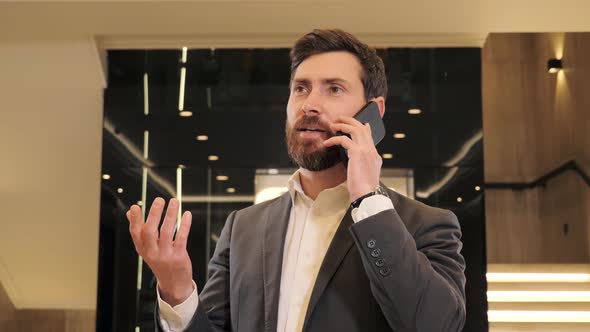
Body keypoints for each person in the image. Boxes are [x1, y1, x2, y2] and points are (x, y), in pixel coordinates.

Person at [126, 29, 466, 332]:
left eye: (334, 89)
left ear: (372, 112)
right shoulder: (243, 227)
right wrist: (177, 291)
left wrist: (368, 201)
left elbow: (436, 324)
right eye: (301, 89)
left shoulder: (426, 225)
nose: (311, 104)